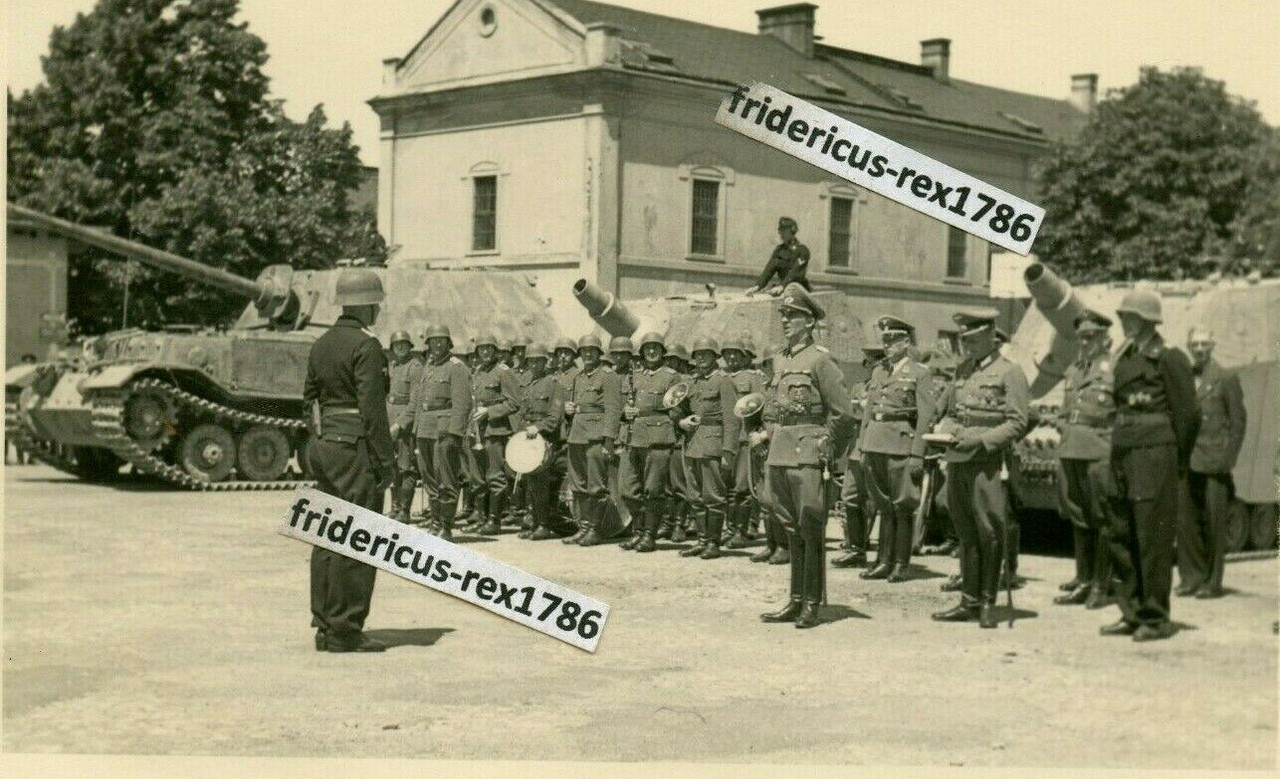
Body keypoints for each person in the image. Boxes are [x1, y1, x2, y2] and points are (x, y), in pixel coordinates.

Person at [302, 268, 395, 653]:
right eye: (375, 304)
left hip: (326, 445)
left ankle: (325, 624)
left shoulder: (321, 344)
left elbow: (309, 401)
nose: (377, 311)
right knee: (360, 535)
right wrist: (385, 460)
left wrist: (320, 443)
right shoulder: (366, 346)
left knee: (328, 534)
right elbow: (372, 410)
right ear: (367, 305)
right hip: (356, 448)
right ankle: (345, 629)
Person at [1101, 290, 1198, 641]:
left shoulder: (1168, 358)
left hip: (1155, 456)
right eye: (1123, 316)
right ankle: (1131, 611)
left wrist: (1174, 458)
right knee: (1121, 533)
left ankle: (1155, 617)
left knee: (1152, 537)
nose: (1124, 321)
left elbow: (1187, 415)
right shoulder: (1125, 357)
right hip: (1123, 453)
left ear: (1146, 320)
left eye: (1130, 316)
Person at [758, 284, 854, 629]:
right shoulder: (781, 360)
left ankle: (811, 601)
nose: (786, 321)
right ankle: (795, 599)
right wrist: (767, 433)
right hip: (781, 452)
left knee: (810, 528)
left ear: (809, 322)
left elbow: (843, 414)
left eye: (793, 316)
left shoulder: (820, 360)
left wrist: (827, 447)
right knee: (790, 529)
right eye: (784, 315)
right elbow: (772, 405)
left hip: (808, 454)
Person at [931, 308, 1029, 629]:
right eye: (964, 341)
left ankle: (987, 601)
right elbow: (953, 413)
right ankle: (968, 600)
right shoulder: (963, 370)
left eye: (973, 340)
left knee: (989, 532)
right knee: (965, 532)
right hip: (958, 459)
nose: (967, 346)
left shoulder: (1009, 372)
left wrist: (981, 442)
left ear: (990, 337)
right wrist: (946, 432)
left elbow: (1017, 422)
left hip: (987, 462)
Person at [858, 316, 937, 583]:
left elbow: (925, 417)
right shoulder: (879, 372)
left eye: (893, 340)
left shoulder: (920, 373)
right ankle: (883, 560)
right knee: (883, 505)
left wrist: (918, 453)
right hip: (875, 442)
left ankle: (901, 563)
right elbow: (869, 411)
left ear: (906, 343)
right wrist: (862, 445)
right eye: (885, 340)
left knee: (902, 505)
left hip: (901, 444)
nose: (887, 345)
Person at [1052, 310, 1118, 608]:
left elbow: (1122, 414)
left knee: (1102, 518)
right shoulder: (1074, 370)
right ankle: (1083, 579)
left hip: (1099, 452)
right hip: (1071, 449)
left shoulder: (1114, 369)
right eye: (1081, 337)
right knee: (1078, 516)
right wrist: (1064, 426)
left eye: (1091, 337)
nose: (1085, 343)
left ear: (1104, 338)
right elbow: (1065, 411)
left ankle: (1102, 585)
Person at [1177, 327, 1246, 599]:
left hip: (1214, 461)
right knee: (1186, 522)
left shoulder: (1225, 378)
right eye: (1195, 344)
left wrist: (1228, 459)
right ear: (1188, 346)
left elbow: (1238, 422)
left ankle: (1212, 582)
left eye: (1204, 344)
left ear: (1213, 346)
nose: (1199, 349)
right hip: (1188, 459)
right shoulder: (1185, 378)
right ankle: (1191, 578)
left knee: (1215, 522)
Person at [396, 324, 472, 540]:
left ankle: (446, 527)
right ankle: (435, 522)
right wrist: (406, 426)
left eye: (441, 340)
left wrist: (454, 434)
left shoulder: (456, 367)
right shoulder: (427, 367)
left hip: (444, 431)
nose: (437, 344)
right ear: (427, 344)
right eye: (433, 340)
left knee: (446, 479)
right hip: (424, 430)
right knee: (429, 479)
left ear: (448, 343)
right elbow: (417, 402)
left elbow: (462, 404)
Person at [619, 332, 683, 553]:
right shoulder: (634, 375)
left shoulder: (671, 377)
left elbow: (677, 409)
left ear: (662, 351)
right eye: (648, 348)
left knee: (653, 490)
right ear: (642, 352)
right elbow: (623, 403)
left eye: (656, 347)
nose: (652, 351)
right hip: (633, 437)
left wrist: (664, 418)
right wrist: (625, 412)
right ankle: (638, 530)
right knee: (627, 489)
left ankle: (649, 534)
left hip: (658, 438)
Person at [677, 338, 740, 560]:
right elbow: (680, 409)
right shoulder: (691, 382)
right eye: (698, 354)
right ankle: (702, 540)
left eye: (706, 353)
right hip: (692, 444)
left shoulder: (724, 381)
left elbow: (732, 420)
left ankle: (713, 542)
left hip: (714, 445)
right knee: (695, 495)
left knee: (713, 495)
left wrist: (728, 451)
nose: (701, 357)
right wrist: (681, 422)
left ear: (715, 357)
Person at [564, 334, 623, 546]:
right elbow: (577, 406)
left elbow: (613, 409)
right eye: (584, 351)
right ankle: (583, 528)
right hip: (577, 435)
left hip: (596, 437)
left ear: (599, 353)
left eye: (592, 351)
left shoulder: (608, 376)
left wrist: (609, 439)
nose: (587, 354)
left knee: (596, 485)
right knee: (577, 484)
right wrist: (569, 411)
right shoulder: (578, 377)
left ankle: (595, 529)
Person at [833, 344, 885, 568]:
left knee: (881, 501)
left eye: (877, 360)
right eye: (869, 361)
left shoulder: (888, 387)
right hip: (857, 448)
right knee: (851, 497)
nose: (872, 365)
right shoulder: (858, 387)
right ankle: (856, 549)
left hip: (880, 447)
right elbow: (849, 413)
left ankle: (885, 556)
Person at [467, 334, 521, 535]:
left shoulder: (503, 372)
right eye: (482, 349)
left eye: (489, 348)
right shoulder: (478, 371)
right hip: (477, 431)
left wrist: (489, 412)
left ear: (496, 350)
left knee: (495, 476)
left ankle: (494, 520)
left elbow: (514, 402)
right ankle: (481, 518)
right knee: (477, 477)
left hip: (495, 431)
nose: (485, 352)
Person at [514, 343, 565, 540]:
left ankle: (543, 524)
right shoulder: (526, 384)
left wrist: (539, 427)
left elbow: (555, 416)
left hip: (545, 438)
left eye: (539, 361)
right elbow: (522, 411)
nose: (535, 365)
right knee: (529, 481)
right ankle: (533, 522)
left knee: (541, 482)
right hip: (527, 436)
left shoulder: (553, 383)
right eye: (531, 361)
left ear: (546, 361)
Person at [723, 337, 766, 549]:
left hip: (743, 438)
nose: (731, 357)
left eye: (736, 353)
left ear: (744, 356)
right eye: (727, 353)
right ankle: (730, 529)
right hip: (722, 440)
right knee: (726, 488)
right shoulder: (720, 377)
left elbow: (761, 406)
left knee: (742, 486)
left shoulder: (752, 378)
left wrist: (759, 435)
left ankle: (741, 530)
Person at [385, 330, 424, 523]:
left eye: (403, 344)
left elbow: (415, 401)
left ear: (410, 346)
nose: (400, 347)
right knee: (392, 465)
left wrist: (400, 424)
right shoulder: (392, 365)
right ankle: (395, 506)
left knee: (406, 466)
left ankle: (404, 510)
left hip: (405, 421)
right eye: (396, 344)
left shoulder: (415, 366)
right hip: (390, 416)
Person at [607, 336, 640, 546]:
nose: (619, 357)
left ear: (630, 355)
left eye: (623, 354)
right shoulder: (608, 377)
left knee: (633, 484)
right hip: (613, 433)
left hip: (632, 435)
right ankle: (623, 523)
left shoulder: (636, 376)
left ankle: (639, 528)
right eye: (615, 354)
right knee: (615, 484)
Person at [663, 344, 695, 542]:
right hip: (662, 437)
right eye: (667, 359)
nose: (670, 363)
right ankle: (668, 522)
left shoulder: (688, 383)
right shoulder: (662, 380)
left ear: (682, 362)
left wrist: (681, 420)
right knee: (665, 485)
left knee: (679, 484)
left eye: (674, 359)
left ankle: (680, 524)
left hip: (679, 438)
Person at [745, 217, 811, 296]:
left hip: (799, 290)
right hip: (782, 289)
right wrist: (758, 286)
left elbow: (795, 272)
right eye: (780, 230)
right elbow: (769, 269)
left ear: (792, 231)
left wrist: (782, 286)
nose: (781, 233)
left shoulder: (802, 250)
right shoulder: (779, 250)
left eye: (784, 230)